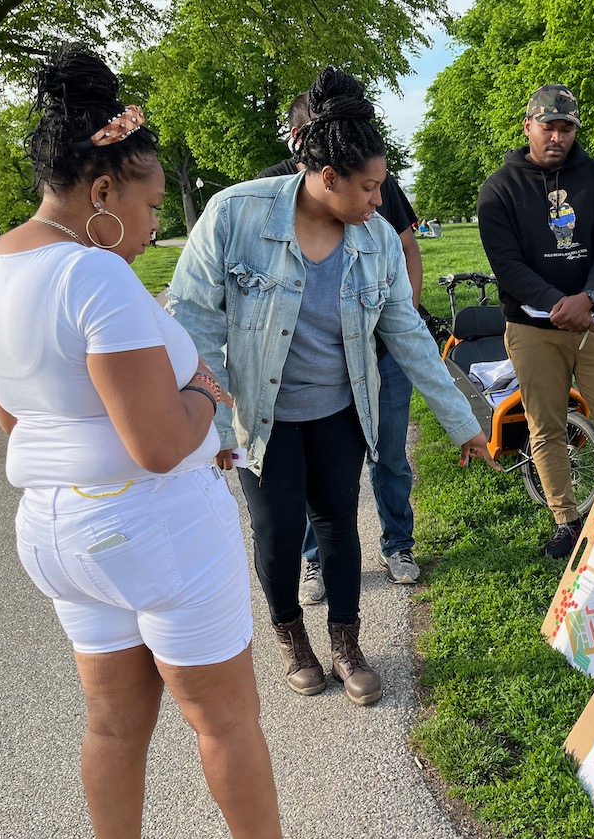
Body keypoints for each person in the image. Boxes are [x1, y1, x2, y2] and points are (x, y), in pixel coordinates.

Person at [0, 48, 341, 839]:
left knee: (111, 723)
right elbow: (162, 444)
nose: (154, 222)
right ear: (102, 190)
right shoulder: (93, 276)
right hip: (153, 525)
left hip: (56, 528)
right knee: (224, 718)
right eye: (151, 201)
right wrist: (204, 389)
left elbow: (16, 417)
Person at [170, 66, 496, 707]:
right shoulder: (235, 215)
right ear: (327, 177)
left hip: (339, 411)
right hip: (262, 418)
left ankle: (347, 645)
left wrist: (463, 421)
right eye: (370, 188)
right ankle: (292, 638)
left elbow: (408, 334)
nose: (379, 201)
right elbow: (194, 322)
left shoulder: (377, 242)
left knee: (340, 525)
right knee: (277, 533)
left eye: (382, 186)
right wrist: (213, 425)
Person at [255, 92, 425, 600]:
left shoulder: (368, 177)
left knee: (388, 455)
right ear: (301, 143)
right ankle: (315, 562)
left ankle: (398, 544)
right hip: (311, 373)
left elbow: (405, 246)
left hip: (380, 354)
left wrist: (399, 318)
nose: (375, 198)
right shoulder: (264, 193)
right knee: (317, 480)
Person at [476, 83, 594, 558]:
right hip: (532, 329)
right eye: (548, 126)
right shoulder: (499, 189)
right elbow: (507, 265)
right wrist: (558, 304)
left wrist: (588, 298)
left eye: (566, 128)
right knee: (545, 426)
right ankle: (566, 521)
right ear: (528, 125)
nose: (557, 137)